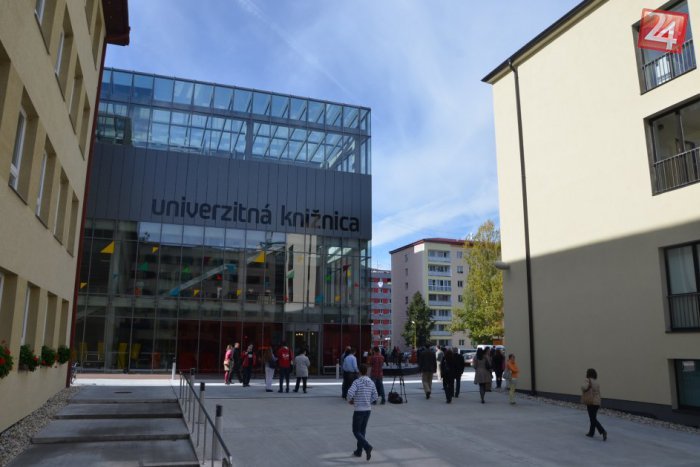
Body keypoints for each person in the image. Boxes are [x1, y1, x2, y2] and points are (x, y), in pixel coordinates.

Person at [347, 364, 378, 461]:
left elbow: (350, 393)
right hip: (368, 410)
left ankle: (367, 446)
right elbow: (375, 396)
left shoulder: (357, 382)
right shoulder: (371, 382)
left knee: (356, 431)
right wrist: (368, 401)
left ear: (359, 372)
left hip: (359, 410)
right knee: (362, 431)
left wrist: (350, 400)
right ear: (367, 372)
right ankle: (359, 451)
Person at [582, 368, 607, 441]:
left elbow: (583, 387)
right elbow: (598, 392)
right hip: (597, 402)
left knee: (592, 418)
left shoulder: (588, 380)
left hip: (591, 401)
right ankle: (591, 433)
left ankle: (603, 431)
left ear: (588, 374)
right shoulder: (596, 382)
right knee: (593, 417)